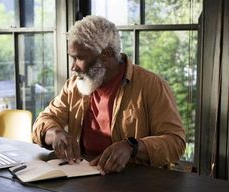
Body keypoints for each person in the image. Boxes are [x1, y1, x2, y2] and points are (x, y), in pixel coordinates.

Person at [32, 15, 185, 175]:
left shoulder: (151, 85)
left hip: (136, 187)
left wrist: (132, 147)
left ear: (106, 55)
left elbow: (176, 142)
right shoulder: (74, 86)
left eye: (79, 58)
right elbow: (41, 123)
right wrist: (56, 134)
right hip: (81, 182)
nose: (73, 67)